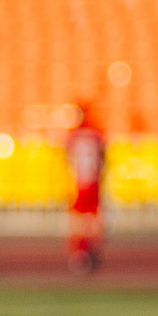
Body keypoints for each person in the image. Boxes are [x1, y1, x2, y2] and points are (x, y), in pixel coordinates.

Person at [64, 102, 107, 273]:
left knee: (79, 221)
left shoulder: (75, 135)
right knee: (92, 220)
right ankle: (91, 250)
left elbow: (68, 156)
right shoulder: (96, 133)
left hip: (81, 183)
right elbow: (104, 157)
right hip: (93, 182)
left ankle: (80, 251)